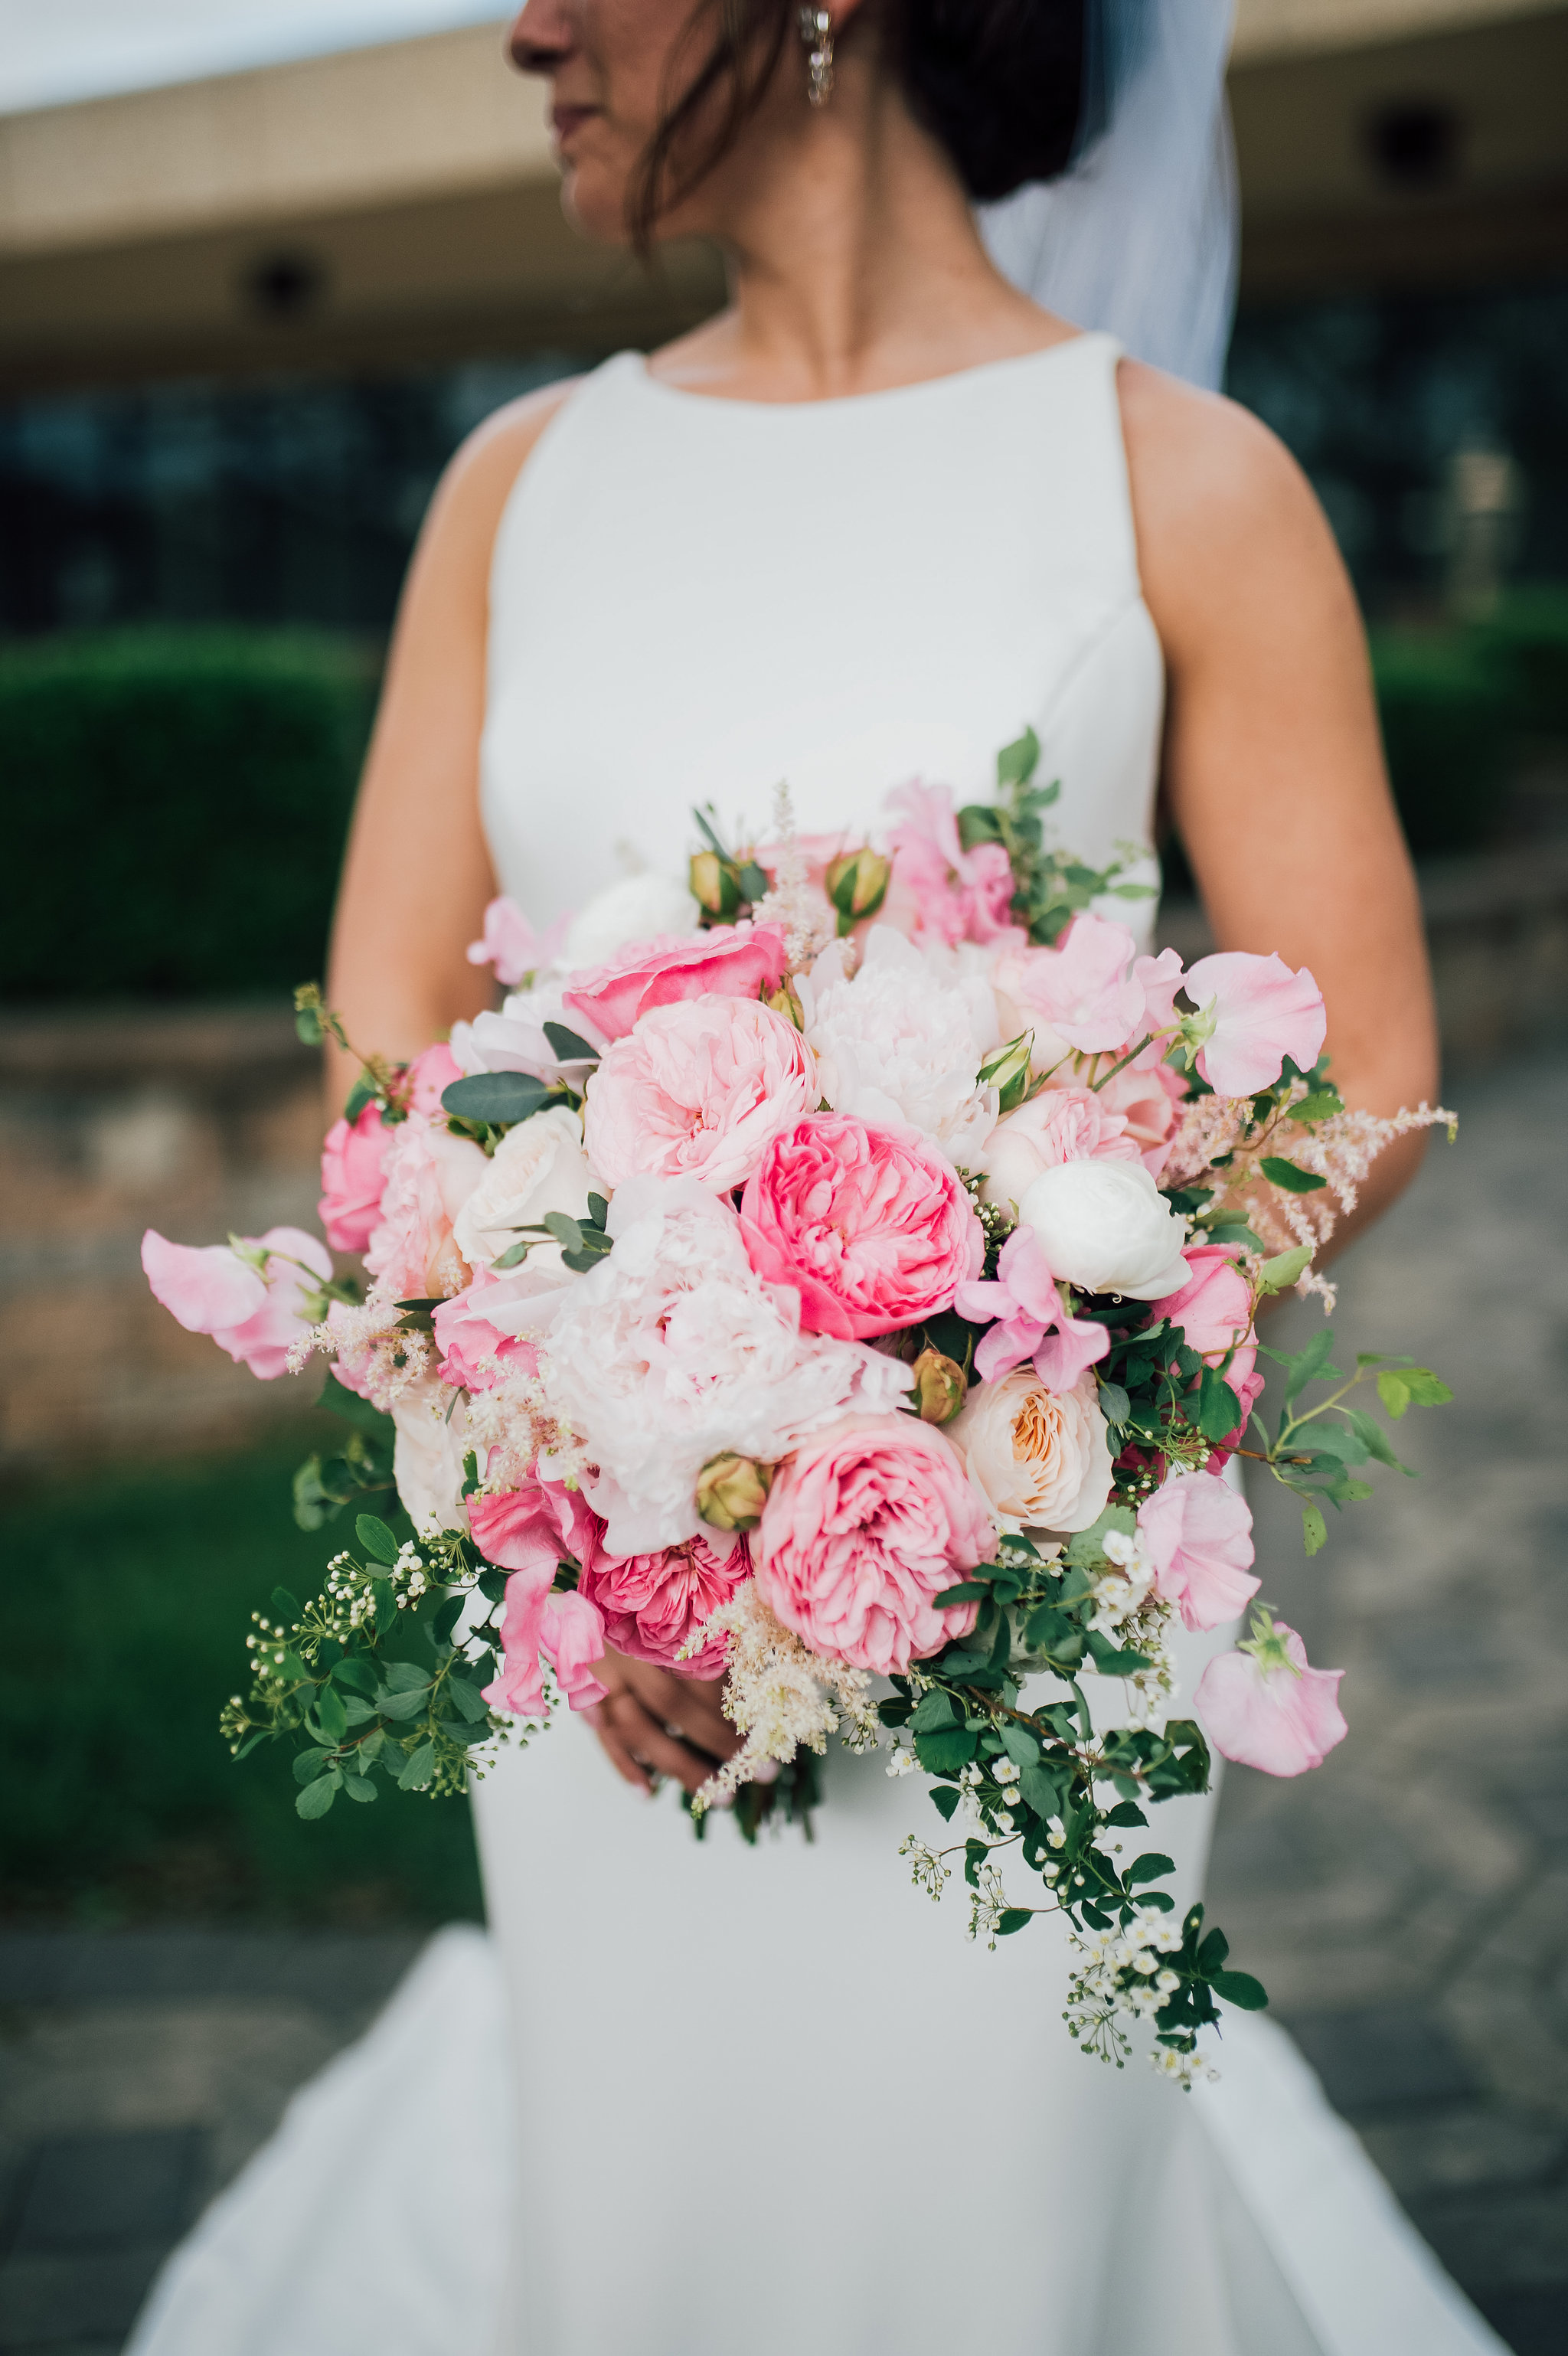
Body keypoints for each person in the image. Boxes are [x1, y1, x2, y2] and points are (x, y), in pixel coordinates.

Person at [129, 4, 1506, 2352]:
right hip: (604, 1654)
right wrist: (565, 1511)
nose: (525, 31)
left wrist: (975, 1411)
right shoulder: (516, 488)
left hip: (1021, 1622)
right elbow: (387, 1093)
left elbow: (1362, 1064)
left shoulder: (1177, 478)